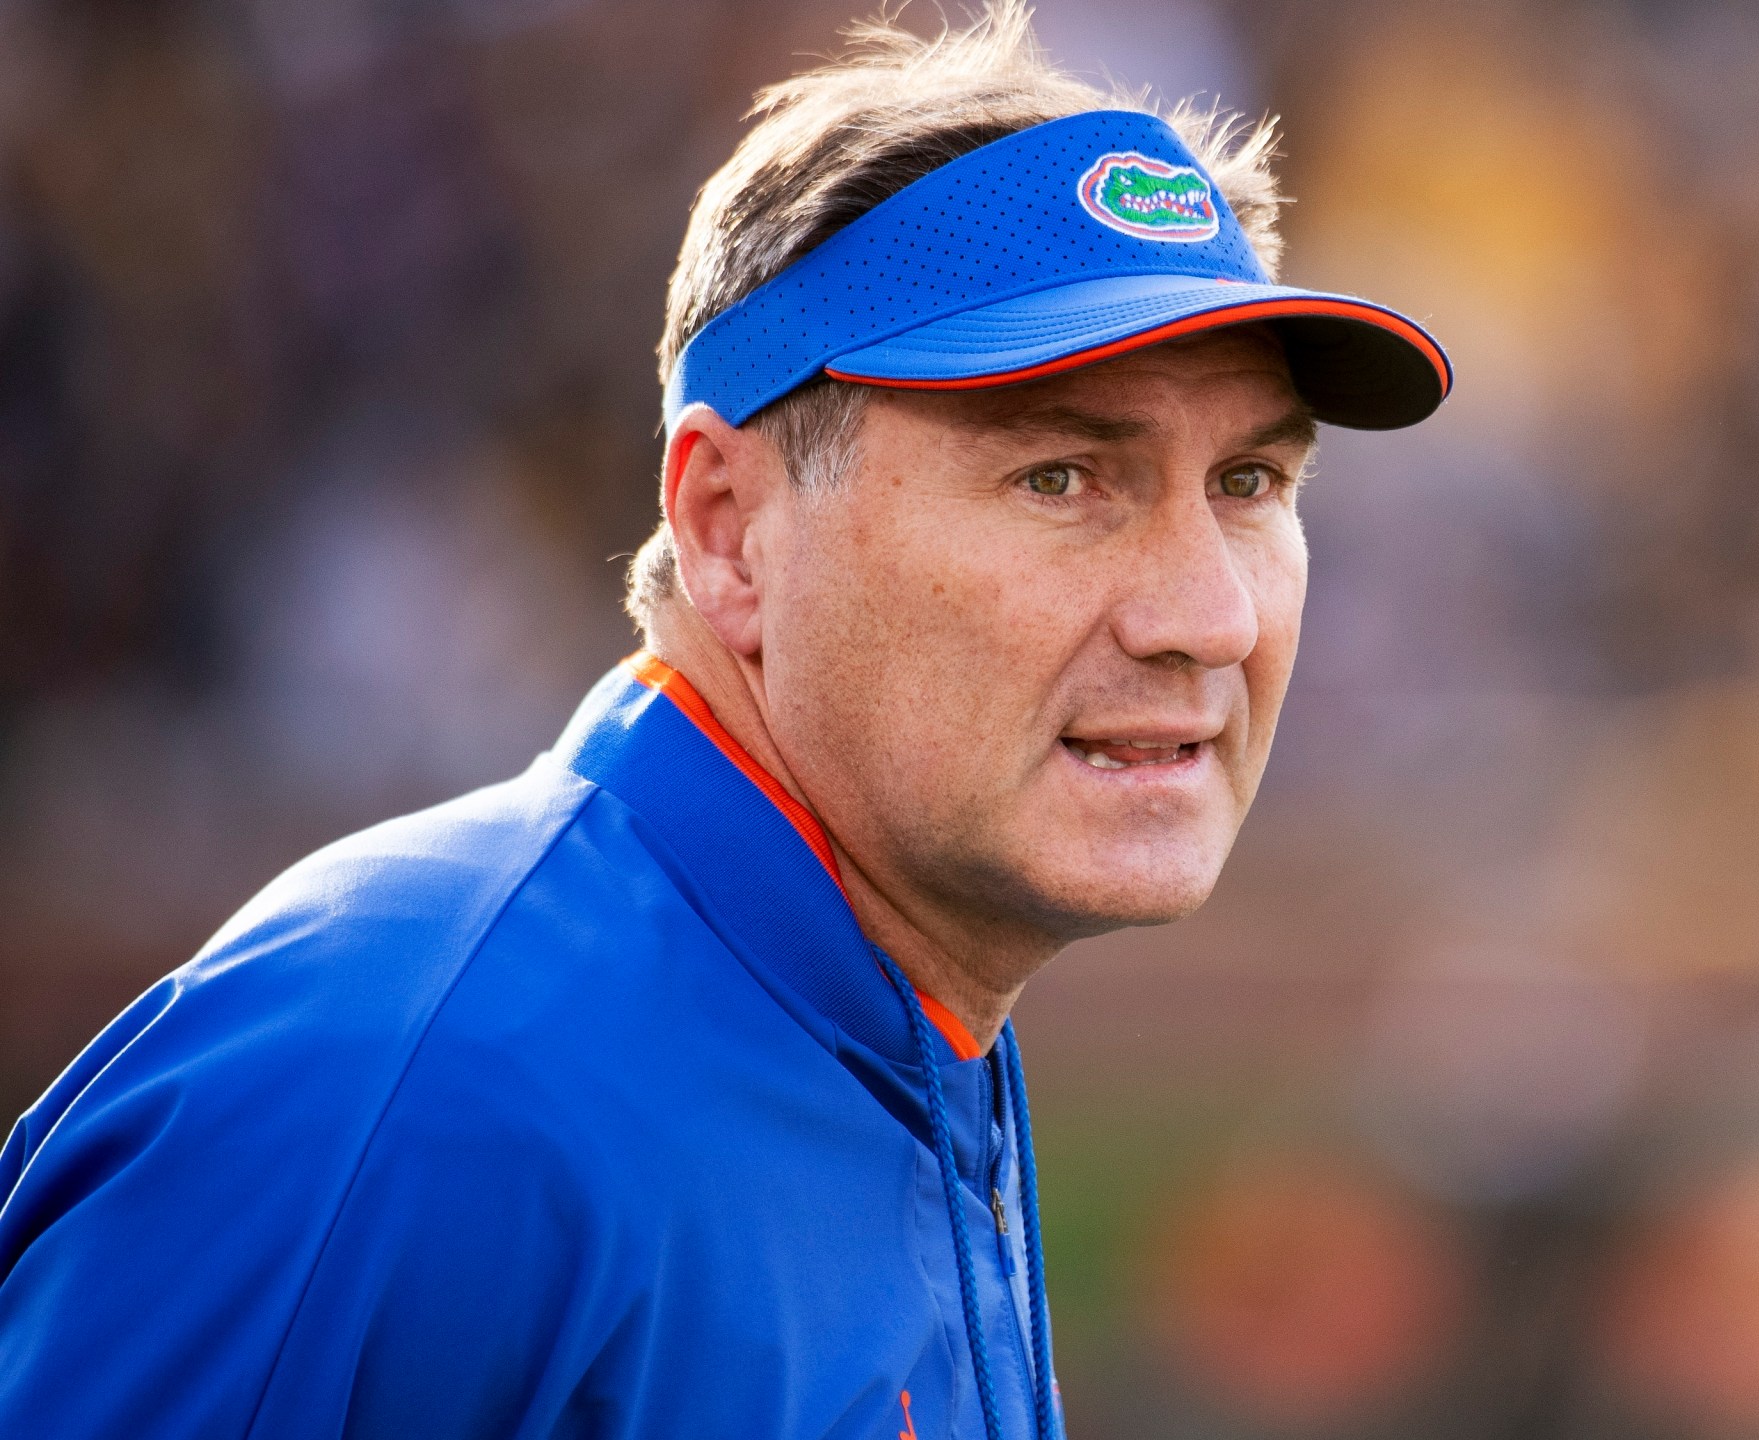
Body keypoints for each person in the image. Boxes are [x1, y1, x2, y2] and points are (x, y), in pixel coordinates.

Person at [0, 5, 1448, 1436]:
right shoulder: (410, 1081)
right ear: (728, 527)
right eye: (1061, 478)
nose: (1206, 616)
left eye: (1252, 485)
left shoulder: (897, 1019)